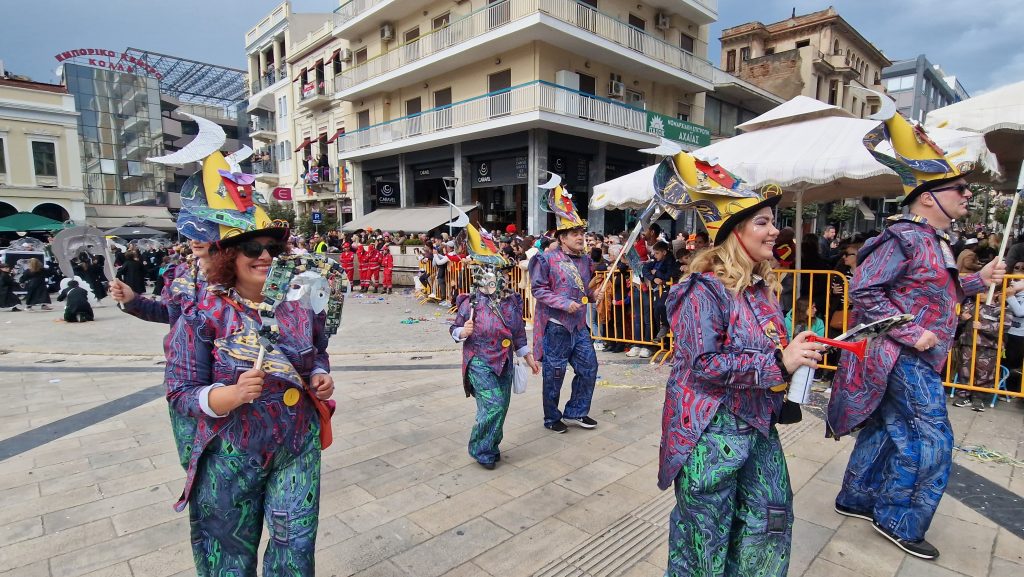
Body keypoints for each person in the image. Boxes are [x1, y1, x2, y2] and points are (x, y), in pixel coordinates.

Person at [829, 108, 1005, 560]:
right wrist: (912, 333)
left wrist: (978, 279)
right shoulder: (903, 238)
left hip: (912, 354)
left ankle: (857, 497)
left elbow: (930, 296)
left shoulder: (936, 241)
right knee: (932, 439)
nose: (967, 195)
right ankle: (898, 519)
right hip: (900, 357)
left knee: (889, 431)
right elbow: (866, 290)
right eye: (958, 189)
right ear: (928, 198)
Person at [655, 152, 823, 577]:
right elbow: (703, 363)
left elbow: (769, 350)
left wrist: (796, 353)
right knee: (704, 541)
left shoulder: (760, 289)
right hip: (711, 433)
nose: (774, 231)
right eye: (763, 222)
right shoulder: (702, 290)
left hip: (759, 426)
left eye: (773, 221)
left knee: (768, 523)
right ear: (735, 233)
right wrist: (778, 365)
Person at [164, 216, 334, 575]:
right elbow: (180, 393)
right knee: (227, 552)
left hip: (296, 447)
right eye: (252, 248)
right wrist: (230, 395)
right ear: (228, 256)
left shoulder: (300, 308)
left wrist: (319, 375)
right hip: (230, 455)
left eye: (273, 249)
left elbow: (317, 352)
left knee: (296, 545)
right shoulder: (202, 315)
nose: (265, 257)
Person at [450, 225, 539, 469]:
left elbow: (518, 333)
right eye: (488, 271)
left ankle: (491, 443)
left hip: (505, 363)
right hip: (479, 361)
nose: (495, 277)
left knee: (502, 406)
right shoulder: (470, 303)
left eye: (498, 272)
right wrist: (462, 332)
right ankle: (480, 448)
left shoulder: (512, 301)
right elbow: (454, 329)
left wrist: (529, 358)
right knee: (494, 405)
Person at [530, 176, 600, 433]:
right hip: (556, 327)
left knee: (589, 367)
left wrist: (594, 296)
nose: (581, 237)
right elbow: (538, 290)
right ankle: (552, 417)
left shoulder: (585, 261)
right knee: (554, 375)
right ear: (562, 237)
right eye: (575, 233)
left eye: (582, 233)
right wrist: (563, 303)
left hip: (579, 326)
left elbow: (584, 291)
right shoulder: (545, 259)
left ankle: (577, 412)